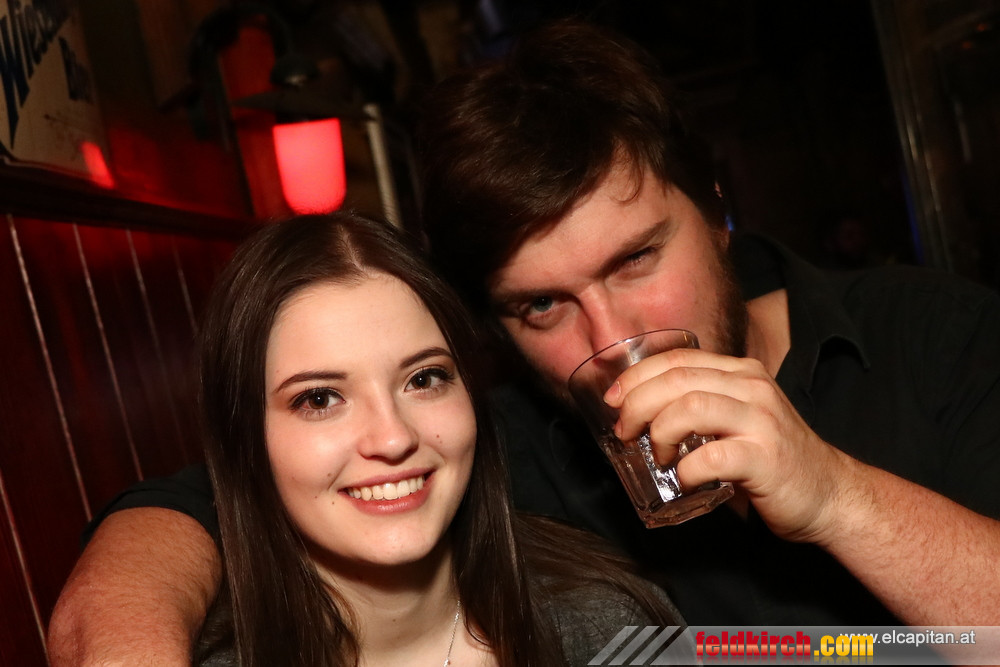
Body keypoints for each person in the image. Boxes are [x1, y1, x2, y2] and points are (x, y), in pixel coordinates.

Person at [47, 19, 1000, 663]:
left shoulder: (933, 333)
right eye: (542, 305)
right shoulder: (485, 443)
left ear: (716, 211)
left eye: (634, 259)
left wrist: (834, 494)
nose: (611, 337)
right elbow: (205, 503)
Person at [141, 211, 684, 666]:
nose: (393, 437)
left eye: (424, 379)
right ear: (244, 439)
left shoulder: (607, 627)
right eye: (320, 399)